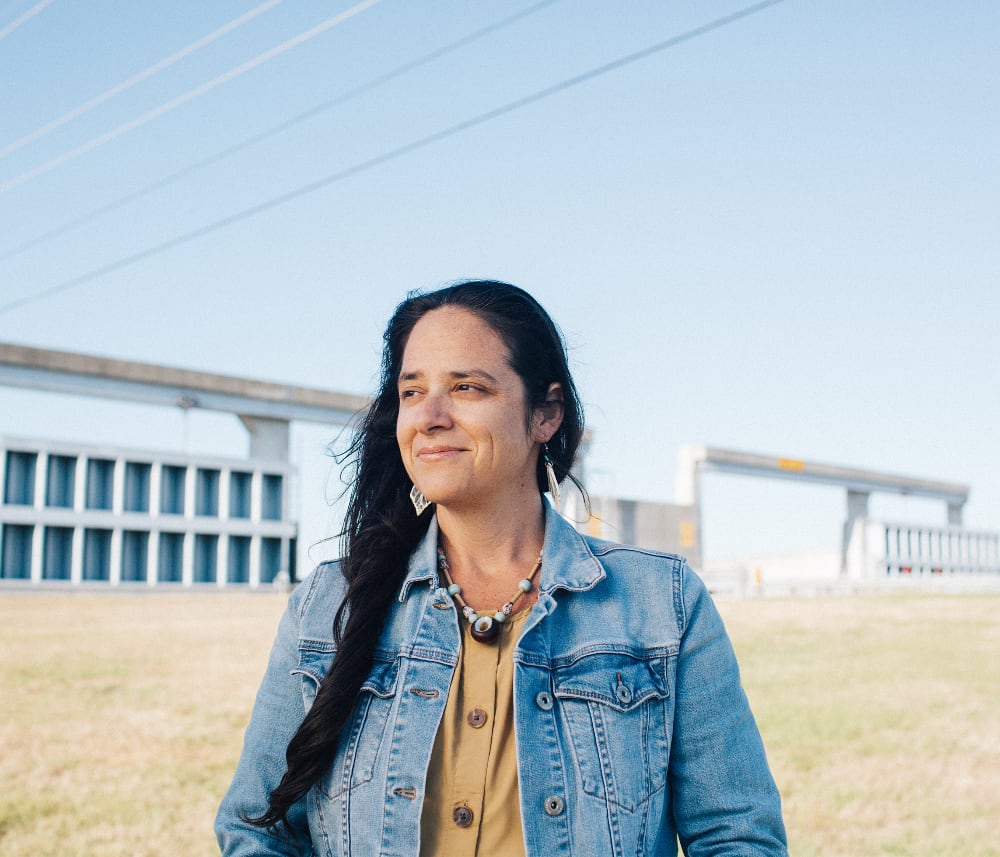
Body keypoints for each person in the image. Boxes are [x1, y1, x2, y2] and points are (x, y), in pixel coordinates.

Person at [215, 280, 788, 856]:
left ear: (546, 414)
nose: (430, 417)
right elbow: (257, 831)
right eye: (412, 392)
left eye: (467, 387)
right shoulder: (326, 605)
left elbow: (739, 839)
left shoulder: (661, 603)